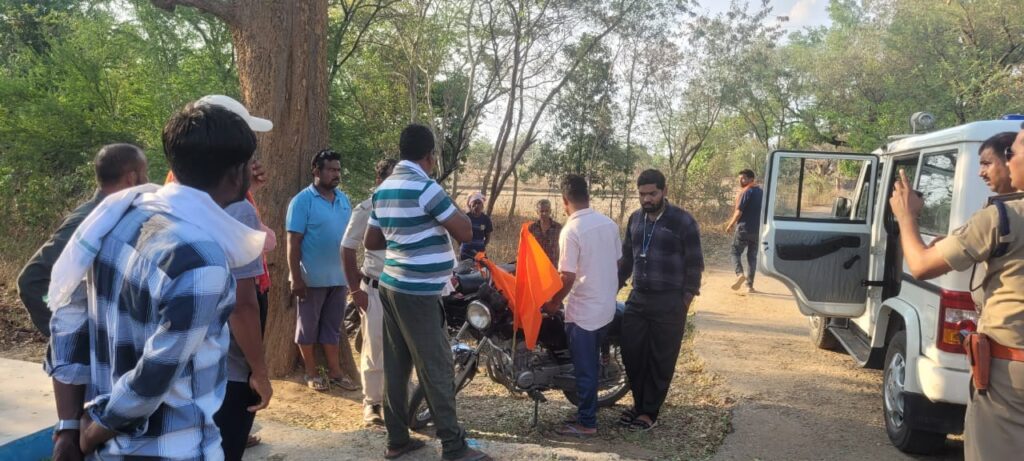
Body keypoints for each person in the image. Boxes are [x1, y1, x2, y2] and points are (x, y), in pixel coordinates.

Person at [45, 102, 266, 461]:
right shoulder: (201, 259)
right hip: (167, 446)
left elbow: (68, 321)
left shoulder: (120, 216)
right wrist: (92, 433)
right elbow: (154, 376)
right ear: (237, 172)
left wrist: (68, 428)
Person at [889, 126, 1024, 461]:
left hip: (1011, 373)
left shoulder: (1003, 218)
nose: (1008, 162)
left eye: (1013, 153)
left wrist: (907, 217)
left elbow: (920, 264)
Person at [364, 123, 489, 461]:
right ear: (429, 156)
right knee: (436, 367)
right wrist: (436, 217)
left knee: (397, 365)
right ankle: (453, 445)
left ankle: (397, 440)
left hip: (391, 286)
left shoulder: (384, 189)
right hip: (417, 292)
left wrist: (404, 233)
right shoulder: (425, 187)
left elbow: (372, 241)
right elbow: (464, 231)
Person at [197, 95, 275, 461]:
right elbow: (241, 306)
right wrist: (259, 371)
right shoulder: (237, 208)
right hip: (228, 365)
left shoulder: (178, 194)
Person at [17, 144, 148, 336]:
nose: (147, 180)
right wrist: (69, 337)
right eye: (145, 173)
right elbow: (31, 280)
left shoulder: (112, 215)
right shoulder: (90, 220)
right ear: (132, 177)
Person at [617, 169, 704, 432]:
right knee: (631, 353)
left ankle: (648, 412)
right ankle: (640, 403)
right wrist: (613, 286)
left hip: (669, 302)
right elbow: (627, 260)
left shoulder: (682, 221)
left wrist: (685, 301)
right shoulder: (635, 219)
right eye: (642, 194)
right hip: (639, 299)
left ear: (664, 191)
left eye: (652, 193)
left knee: (660, 359)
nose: (646, 199)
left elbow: (695, 265)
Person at [541, 174, 622, 438]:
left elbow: (567, 277)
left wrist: (553, 302)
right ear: (587, 196)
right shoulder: (609, 224)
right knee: (590, 365)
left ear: (565, 201)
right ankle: (585, 410)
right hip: (606, 307)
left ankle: (587, 423)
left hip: (584, 311)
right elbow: (617, 262)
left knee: (585, 369)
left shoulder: (571, 230)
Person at [286, 149, 358, 392]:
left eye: (338, 170)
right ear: (316, 171)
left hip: (339, 278)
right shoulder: (302, 201)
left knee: (332, 326)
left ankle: (336, 372)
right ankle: (310, 372)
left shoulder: (343, 200)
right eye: (331, 169)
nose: (336, 174)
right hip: (310, 279)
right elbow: (293, 242)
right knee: (307, 326)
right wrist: (295, 278)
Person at [341, 158, 397, 426]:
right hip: (373, 290)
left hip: (402, 291)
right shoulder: (367, 208)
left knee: (402, 350)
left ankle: (397, 402)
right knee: (375, 349)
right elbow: (347, 248)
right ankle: (372, 404)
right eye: (389, 177)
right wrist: (355, 291)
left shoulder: (405, 208)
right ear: (379, 180)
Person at [724, 169, 763, 294]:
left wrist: (730, 225)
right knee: (752, 257)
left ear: (752, 179)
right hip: (757, 230)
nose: (741, 180)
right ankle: (750, 286)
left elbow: (739, 212)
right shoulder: (761, 192)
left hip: (743, 229)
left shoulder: (747, 192)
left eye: (744, 178)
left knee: (734, 252)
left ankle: (740, 274)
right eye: (740, 178)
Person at [459, 192, 492, 261]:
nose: (477, 205)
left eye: (479, 203)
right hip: (465, 253)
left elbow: (487, 238)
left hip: (480, 253)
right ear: (470, 204)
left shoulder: (486, 219)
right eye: (474, 203)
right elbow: (459, 235)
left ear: (482, 205)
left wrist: (480, 246)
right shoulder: (465, 218)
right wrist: (463, 246)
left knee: (482, 270)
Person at [527, 198, 562, 264]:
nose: (544, 213)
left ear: (550, 211)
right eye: (542, 211)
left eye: (547, 211)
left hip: (553, 266)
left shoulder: (558, 228)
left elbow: (563, 248)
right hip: (537, 265)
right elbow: (528, 249)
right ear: (537, 212)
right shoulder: (532, 228)